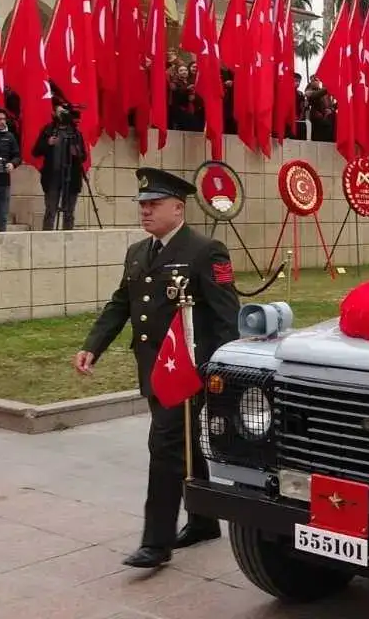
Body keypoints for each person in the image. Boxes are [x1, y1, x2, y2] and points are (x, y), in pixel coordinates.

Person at [73, 167, 241, 569]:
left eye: (153, 205)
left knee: (164, 447)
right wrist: (92, 346)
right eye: (142, 206)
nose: (145, 212)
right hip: (153, 368)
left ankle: (156, 542)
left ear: (178, 208)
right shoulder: (138, 252)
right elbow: (120, 304)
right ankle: (203, 521)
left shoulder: (205, 250)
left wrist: (219, 374)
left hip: (189, 372)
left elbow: (226, 318)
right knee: (187, 444)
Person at [33, 104, 90, 231]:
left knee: (69, 212)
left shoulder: (75, 133)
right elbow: (35, 151)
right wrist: (48, 143)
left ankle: (68, 238)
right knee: (50, 211)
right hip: (52, 177)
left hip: (71, 177)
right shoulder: (48, 130)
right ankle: (47, 238)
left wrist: (77, 153)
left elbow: (83, 156)